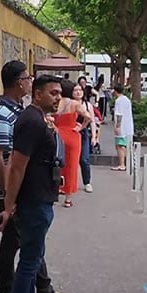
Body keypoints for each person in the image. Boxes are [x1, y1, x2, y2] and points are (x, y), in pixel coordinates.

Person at [0, 62, 71, 293]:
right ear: (18, 82)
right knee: (15, 243)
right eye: (26, 77)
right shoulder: (3, 112)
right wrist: (9, 199)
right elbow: (3, 159)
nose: (29, 80)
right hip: (14, 189)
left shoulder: (21, 111)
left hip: (22, 189)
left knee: (28, 244)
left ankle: (42, 290)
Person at [0, 75, 63, 293]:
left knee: (32, 262)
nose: (58, 97)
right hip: (33, 202)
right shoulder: (32, 122)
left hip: (40, 200)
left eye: (60, 93)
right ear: (36, 94)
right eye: (53, 93)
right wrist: (9, 207)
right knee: (28, 264)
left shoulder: (36, 118)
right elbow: (17, 167)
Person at [54, 80, 86, 208]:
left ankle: (55, 191)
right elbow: (88, 116)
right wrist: (81, 127)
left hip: (58, 135)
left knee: (57, 164)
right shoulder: (75, 104)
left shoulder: (56, 103)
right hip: (72, 135)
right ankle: (68, 198)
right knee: (72, 167)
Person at [74, 83, 97, 192]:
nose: (78, 92)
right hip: (72, 133)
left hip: (83, 134)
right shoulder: (69, 104)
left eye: (80, 90)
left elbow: (92, 122)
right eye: (75, 90)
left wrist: (94, 137)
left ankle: (87, 182)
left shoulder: (88, 106)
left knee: (84, 159)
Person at [112, 83, 134, 171]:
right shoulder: (127, 100)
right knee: (126, 145)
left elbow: (119, 114)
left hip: (122, 127)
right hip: (128, 126)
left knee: (119, 146)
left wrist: (117, 127)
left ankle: (122, 164)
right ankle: (128, 163)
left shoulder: (118, 101)